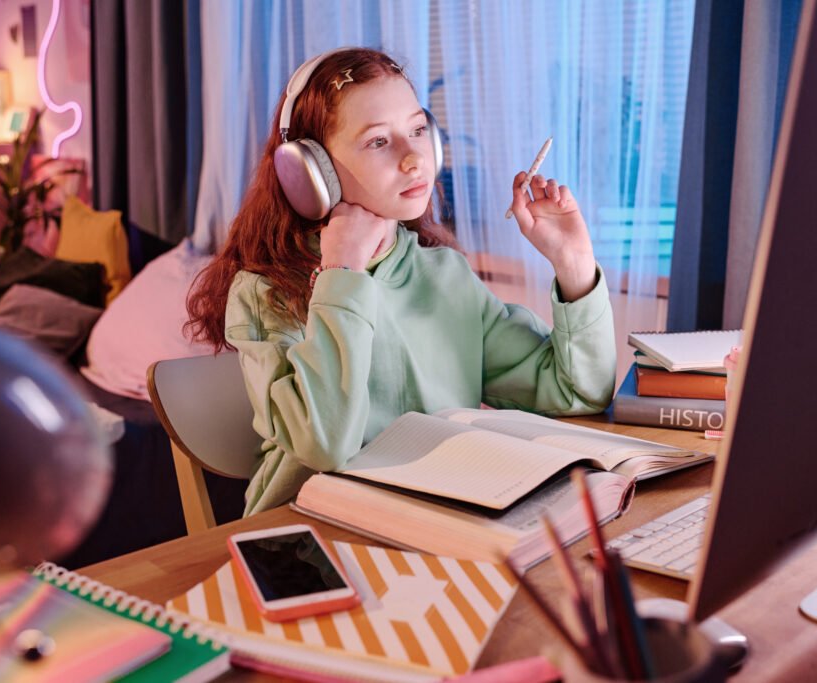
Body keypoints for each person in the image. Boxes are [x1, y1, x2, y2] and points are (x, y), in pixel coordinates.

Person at [186, 47, 616, 515]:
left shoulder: (444, 276)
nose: (414, 160)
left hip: (435, 521)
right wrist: (342, 276)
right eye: (378, 142)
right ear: (309, 171)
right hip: (311, 537)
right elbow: (325, 444)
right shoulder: (266, 292)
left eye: (416, 131)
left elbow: (576, 391)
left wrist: (573, 263)